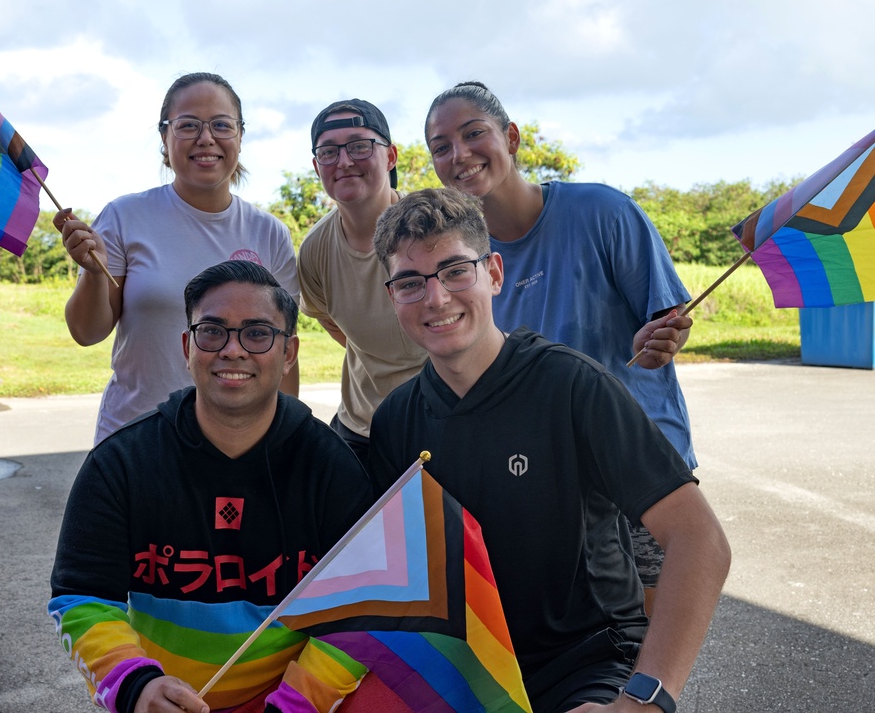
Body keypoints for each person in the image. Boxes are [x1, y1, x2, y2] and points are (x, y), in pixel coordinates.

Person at [369, 188, 730, 712]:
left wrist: (646, 701)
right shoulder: (395, 422)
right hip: (466, 675)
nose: (436, 298)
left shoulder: (573, 386)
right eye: (410, 282)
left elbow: (699, 540)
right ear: (391, 296)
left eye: (454, 271)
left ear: (494, 273)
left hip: (587, 663)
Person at [49, 261, 372, 713]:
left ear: (290, 352)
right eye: (212, 331)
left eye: (257, 333)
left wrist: (293, 706)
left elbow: (360, 615)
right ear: (187, 346)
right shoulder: (120, 463)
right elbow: (83, 597)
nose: (233, 350)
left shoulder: (332, 469)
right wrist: (135, 685)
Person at [424, 82, 696, 610]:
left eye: (473, 133)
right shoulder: (463, 263)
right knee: (577, 655)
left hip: (640, 466)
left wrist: (662, 339)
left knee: (652, 652)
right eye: (440, 146)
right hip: (548, 483)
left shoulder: (603, 211)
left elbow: (666, 319)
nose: (459, 154)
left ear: (511, 136)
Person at [56, 72, 300, 446]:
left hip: (238, 444)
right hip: (134, 441)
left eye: (221, 125)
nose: (206, 138)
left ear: (240, 136)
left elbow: (283, 354)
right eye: (188, 125)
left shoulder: (270, 233)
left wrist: (285, 441)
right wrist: (93, 274)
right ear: (164, 139)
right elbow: (87, 333)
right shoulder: (124, 216)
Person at [297, 99, 427, 462]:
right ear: (316, 165)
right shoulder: (314, 250)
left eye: (359, 146)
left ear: (390, 156)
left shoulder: (434, 229)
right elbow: (324, 316)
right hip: (361, 431)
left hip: (444, 421)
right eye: (328, 151)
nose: (344, 161)